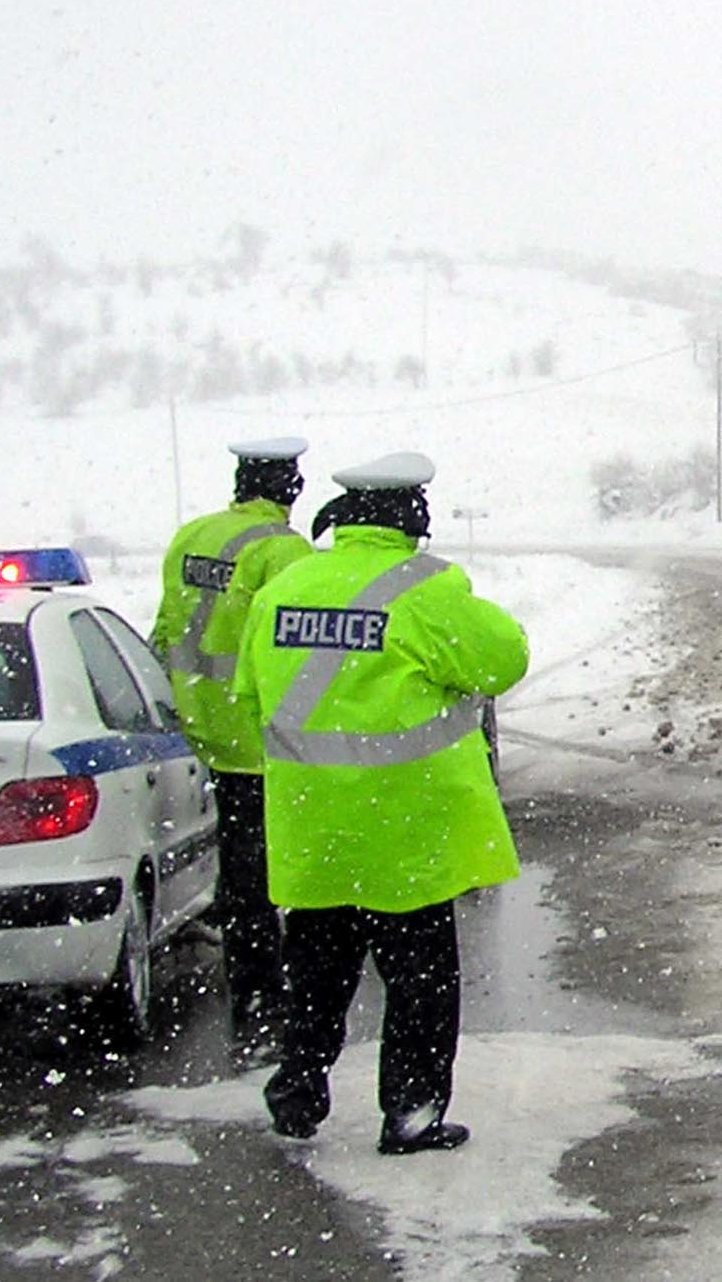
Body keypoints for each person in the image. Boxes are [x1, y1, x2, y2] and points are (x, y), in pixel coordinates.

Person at [234, 450, 528, 1156]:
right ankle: (410, 1114)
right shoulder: (426, 590)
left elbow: (249, 695)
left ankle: (298, 1089)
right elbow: (503, 659)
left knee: (315, 978)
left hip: (315, 829)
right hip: (406, 833)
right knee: (420, 987)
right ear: (410, 515)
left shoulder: (285, 585)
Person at [151, 436, 313, 1036]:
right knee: (277, 875)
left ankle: (251, 990)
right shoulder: (283, 551)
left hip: (205, 726)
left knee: (242, 867)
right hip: (261, 737)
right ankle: (267, 994)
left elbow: (168, 625)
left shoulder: (190, 536)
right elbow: (292, 650)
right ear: (289, 489)